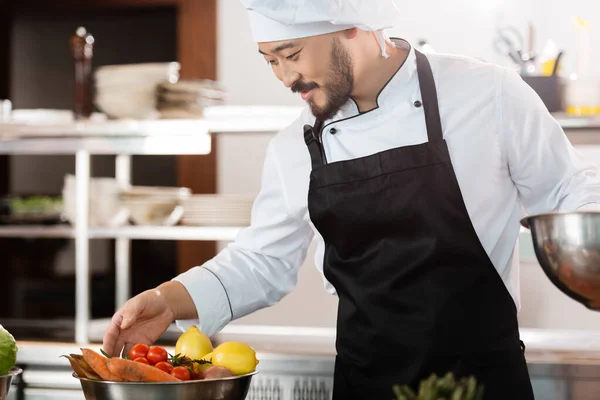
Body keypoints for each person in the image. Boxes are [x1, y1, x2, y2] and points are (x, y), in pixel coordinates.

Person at [103, 1, 600, 398]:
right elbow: (262, 260)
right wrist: (168, 300)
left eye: (292, 54)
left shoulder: (484, 94)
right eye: (271, 60)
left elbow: (571, 191)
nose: (284, 77)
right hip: (367, 383)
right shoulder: (295, 144)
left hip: (483, 383)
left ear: (352, 26)